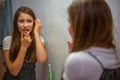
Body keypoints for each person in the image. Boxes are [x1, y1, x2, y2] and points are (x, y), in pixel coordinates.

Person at [62, 0, 120, 80]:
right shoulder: (115, 52)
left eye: (71, 23)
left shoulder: (77, 60)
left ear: (83, 26)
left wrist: (73, 52)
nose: (68, 29)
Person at [2, 6, 47, 80]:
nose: (25, 25)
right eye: (21, 21)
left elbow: (42, 59)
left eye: (29, 21)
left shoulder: (39, 39)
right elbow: (14, 72)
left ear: (34, 23)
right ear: (16, 23)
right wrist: (24, 46)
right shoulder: (8, 40)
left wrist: (36, 32)